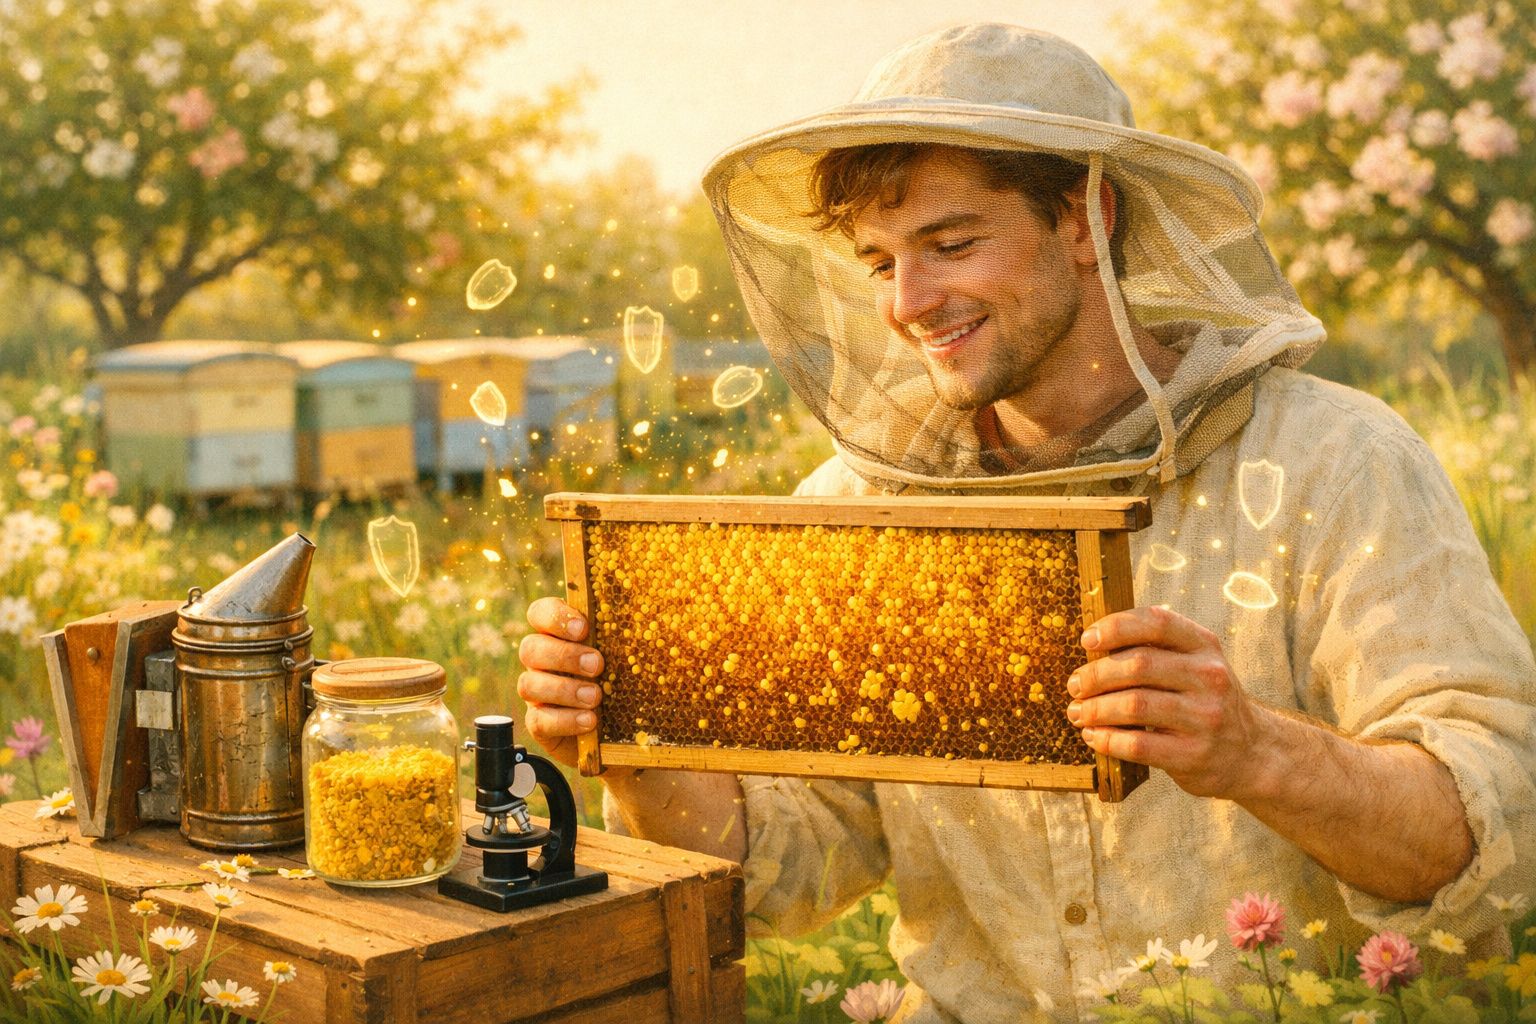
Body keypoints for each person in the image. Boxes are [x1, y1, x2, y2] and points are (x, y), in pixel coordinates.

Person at [517, 24, 1536, 1021]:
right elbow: (786, 866)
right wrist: (637, 737)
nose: (908, 302)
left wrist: (1259, 751)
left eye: (950, 244)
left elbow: (1498, 834)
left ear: (1086, 218)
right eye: (879, 262)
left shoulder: (1336, 461)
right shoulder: (862, 513)